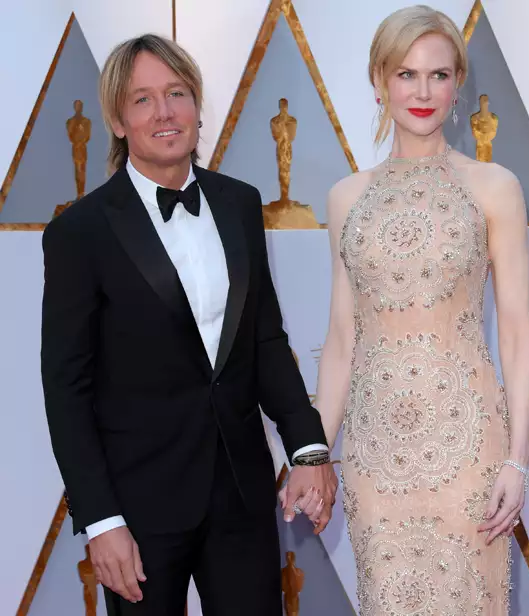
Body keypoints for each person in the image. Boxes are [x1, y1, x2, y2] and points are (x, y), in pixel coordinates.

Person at [40, 34, 337, 616]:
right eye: (143, 99)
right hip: (137, 509)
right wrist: (101, 520)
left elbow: (265, 339)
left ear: (198, 107)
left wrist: (307, 447)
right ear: (118, 121)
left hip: (242, 495)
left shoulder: (240, 204)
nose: (164, 112)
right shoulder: (80, 232)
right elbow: (66, 389)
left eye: (177, 93)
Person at [313, 6, 529, 614]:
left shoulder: (494, 187)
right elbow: (342, 338)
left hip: (468, 448)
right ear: (379, 80)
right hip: (375, 455)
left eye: (439, 75)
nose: (422, 92)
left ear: (457, 84)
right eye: (406, 74)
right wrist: (314, 455)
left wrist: (517, 460)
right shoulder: (346, 198)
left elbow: (517, 332)